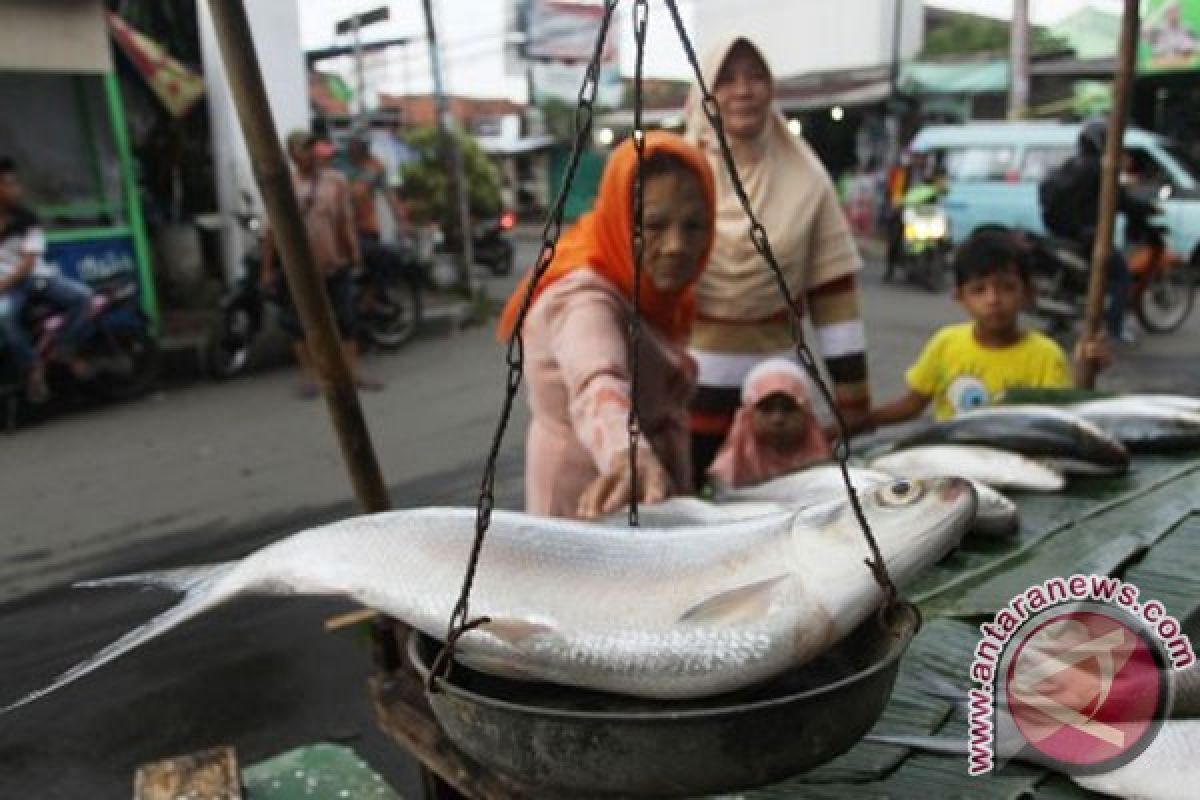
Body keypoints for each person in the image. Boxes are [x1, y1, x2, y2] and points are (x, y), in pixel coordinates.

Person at [496, 131, 715, 519]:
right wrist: (624, 451)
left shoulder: (652, 293)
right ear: (619, 217)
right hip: (588, 508)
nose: (677, 245)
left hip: (653, 498)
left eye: (694, 226)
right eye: (655, 225)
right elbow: (597, 379)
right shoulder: (582, 297)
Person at [683, 36, 870, 490]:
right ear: (704, 93)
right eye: (726, 79)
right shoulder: (678, 176)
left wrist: (853, 401)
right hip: (685, 403)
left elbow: (834, 296)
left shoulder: (808, 179)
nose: (743, 91)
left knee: (782, 524)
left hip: (779, 410)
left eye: (756, 77)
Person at [864, 229, 1110, 428]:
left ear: (1027, 293)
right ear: (960, 297)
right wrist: (859, 422)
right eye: (979, 290)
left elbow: (1063, 420)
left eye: (1006, 287)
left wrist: (1087, 376)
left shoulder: (1046, 356)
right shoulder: (945, 344)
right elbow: (912, 404)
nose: (993, 300)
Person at [260, 129, 382, 397]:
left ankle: (352, 373)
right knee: (299, 324)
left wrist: (353, 254)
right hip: (298, 270)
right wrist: (267, 269)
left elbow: (344, 221)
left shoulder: (335, 182)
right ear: (292, 155)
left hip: (333, 264)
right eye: (305, 148)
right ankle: (311, 375)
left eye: (313, 147)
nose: (311, 154)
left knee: (346, 320)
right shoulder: (284, 186)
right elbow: (272, 233)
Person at [1039, 119, 1157, 344]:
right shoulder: (1101, 169)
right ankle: (1114, 328)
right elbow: (1119, 199)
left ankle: (1059, 321)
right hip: (1087, 235)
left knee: (1079, 277)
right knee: (1121, 277)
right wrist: (1146, 209)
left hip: (1061, 235)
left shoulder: (1072, 164)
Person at [0, 157, 95, 403]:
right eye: (9, 185)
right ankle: (33, 367)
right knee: (4, 319)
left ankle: (63, 349)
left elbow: (28, 263)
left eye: (15, 184)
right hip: (8, 288)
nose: (16, 190)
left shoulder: (27, 219)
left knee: (83, 298)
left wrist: (4, 284)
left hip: (35, 278)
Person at [707, 357, 831, 491]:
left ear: (806, 414)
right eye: (766, 409)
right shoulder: (727, 473)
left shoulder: (826, 470)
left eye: (789, 409)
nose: (778, 419)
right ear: (747, 416)